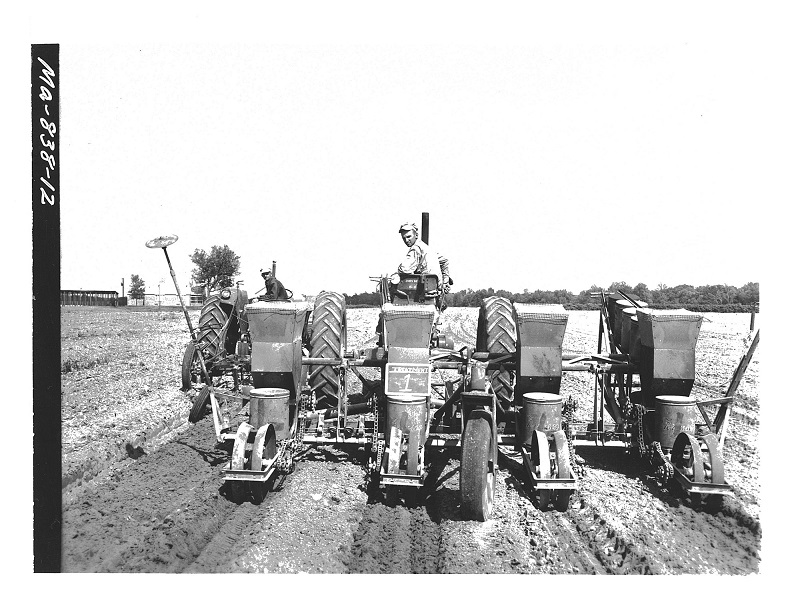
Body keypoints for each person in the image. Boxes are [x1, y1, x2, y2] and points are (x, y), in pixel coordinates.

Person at [397, 222, 452, 294]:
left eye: (409, 237)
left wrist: (398, 270)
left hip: (422, 291)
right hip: (436, 290)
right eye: (403, 238)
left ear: (416, 235)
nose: (406, 240)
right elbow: (444, 261)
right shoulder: (428, 249)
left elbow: (405, 269)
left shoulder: (415, 248)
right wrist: (445, 282)